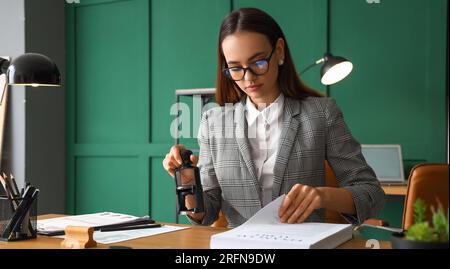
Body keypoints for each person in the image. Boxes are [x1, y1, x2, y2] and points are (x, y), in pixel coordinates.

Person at [163, 7, 385, 228]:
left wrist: (324, 196)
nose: (248, 77)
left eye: (258, 62)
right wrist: (186, 179)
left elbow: (371, 193)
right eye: (235, 69)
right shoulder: (213, 123)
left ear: (279, 51)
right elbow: (207, 213)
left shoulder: (321, 113)